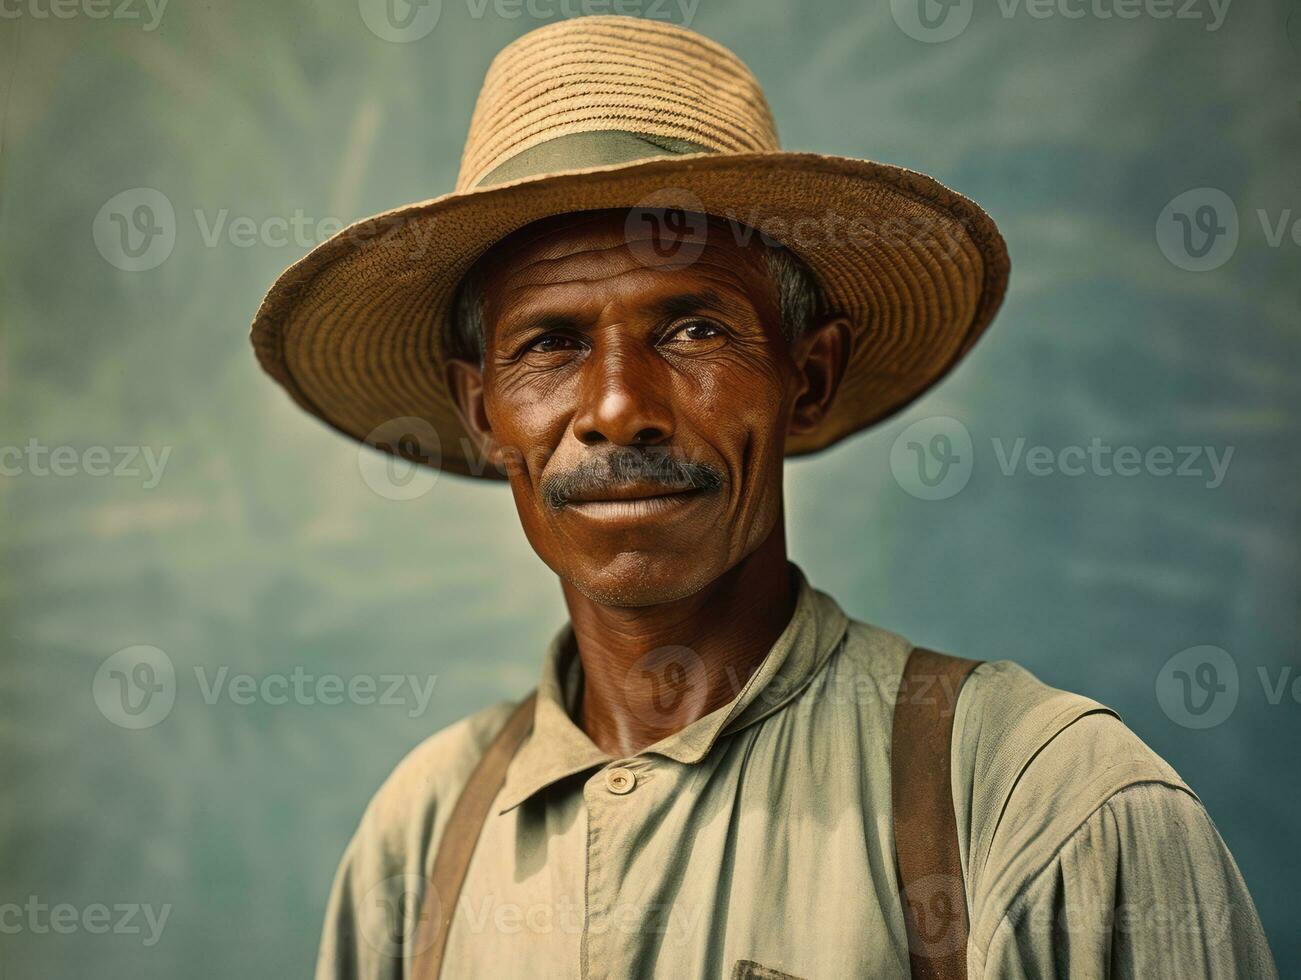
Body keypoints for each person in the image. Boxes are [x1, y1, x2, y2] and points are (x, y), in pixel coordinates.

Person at [250, 15, 1277, 980]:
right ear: (481, 413)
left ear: (808, 376)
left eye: (691, 329)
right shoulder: (420, 841)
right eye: (550, 343)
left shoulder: (1041, 803)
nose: (617, 408)